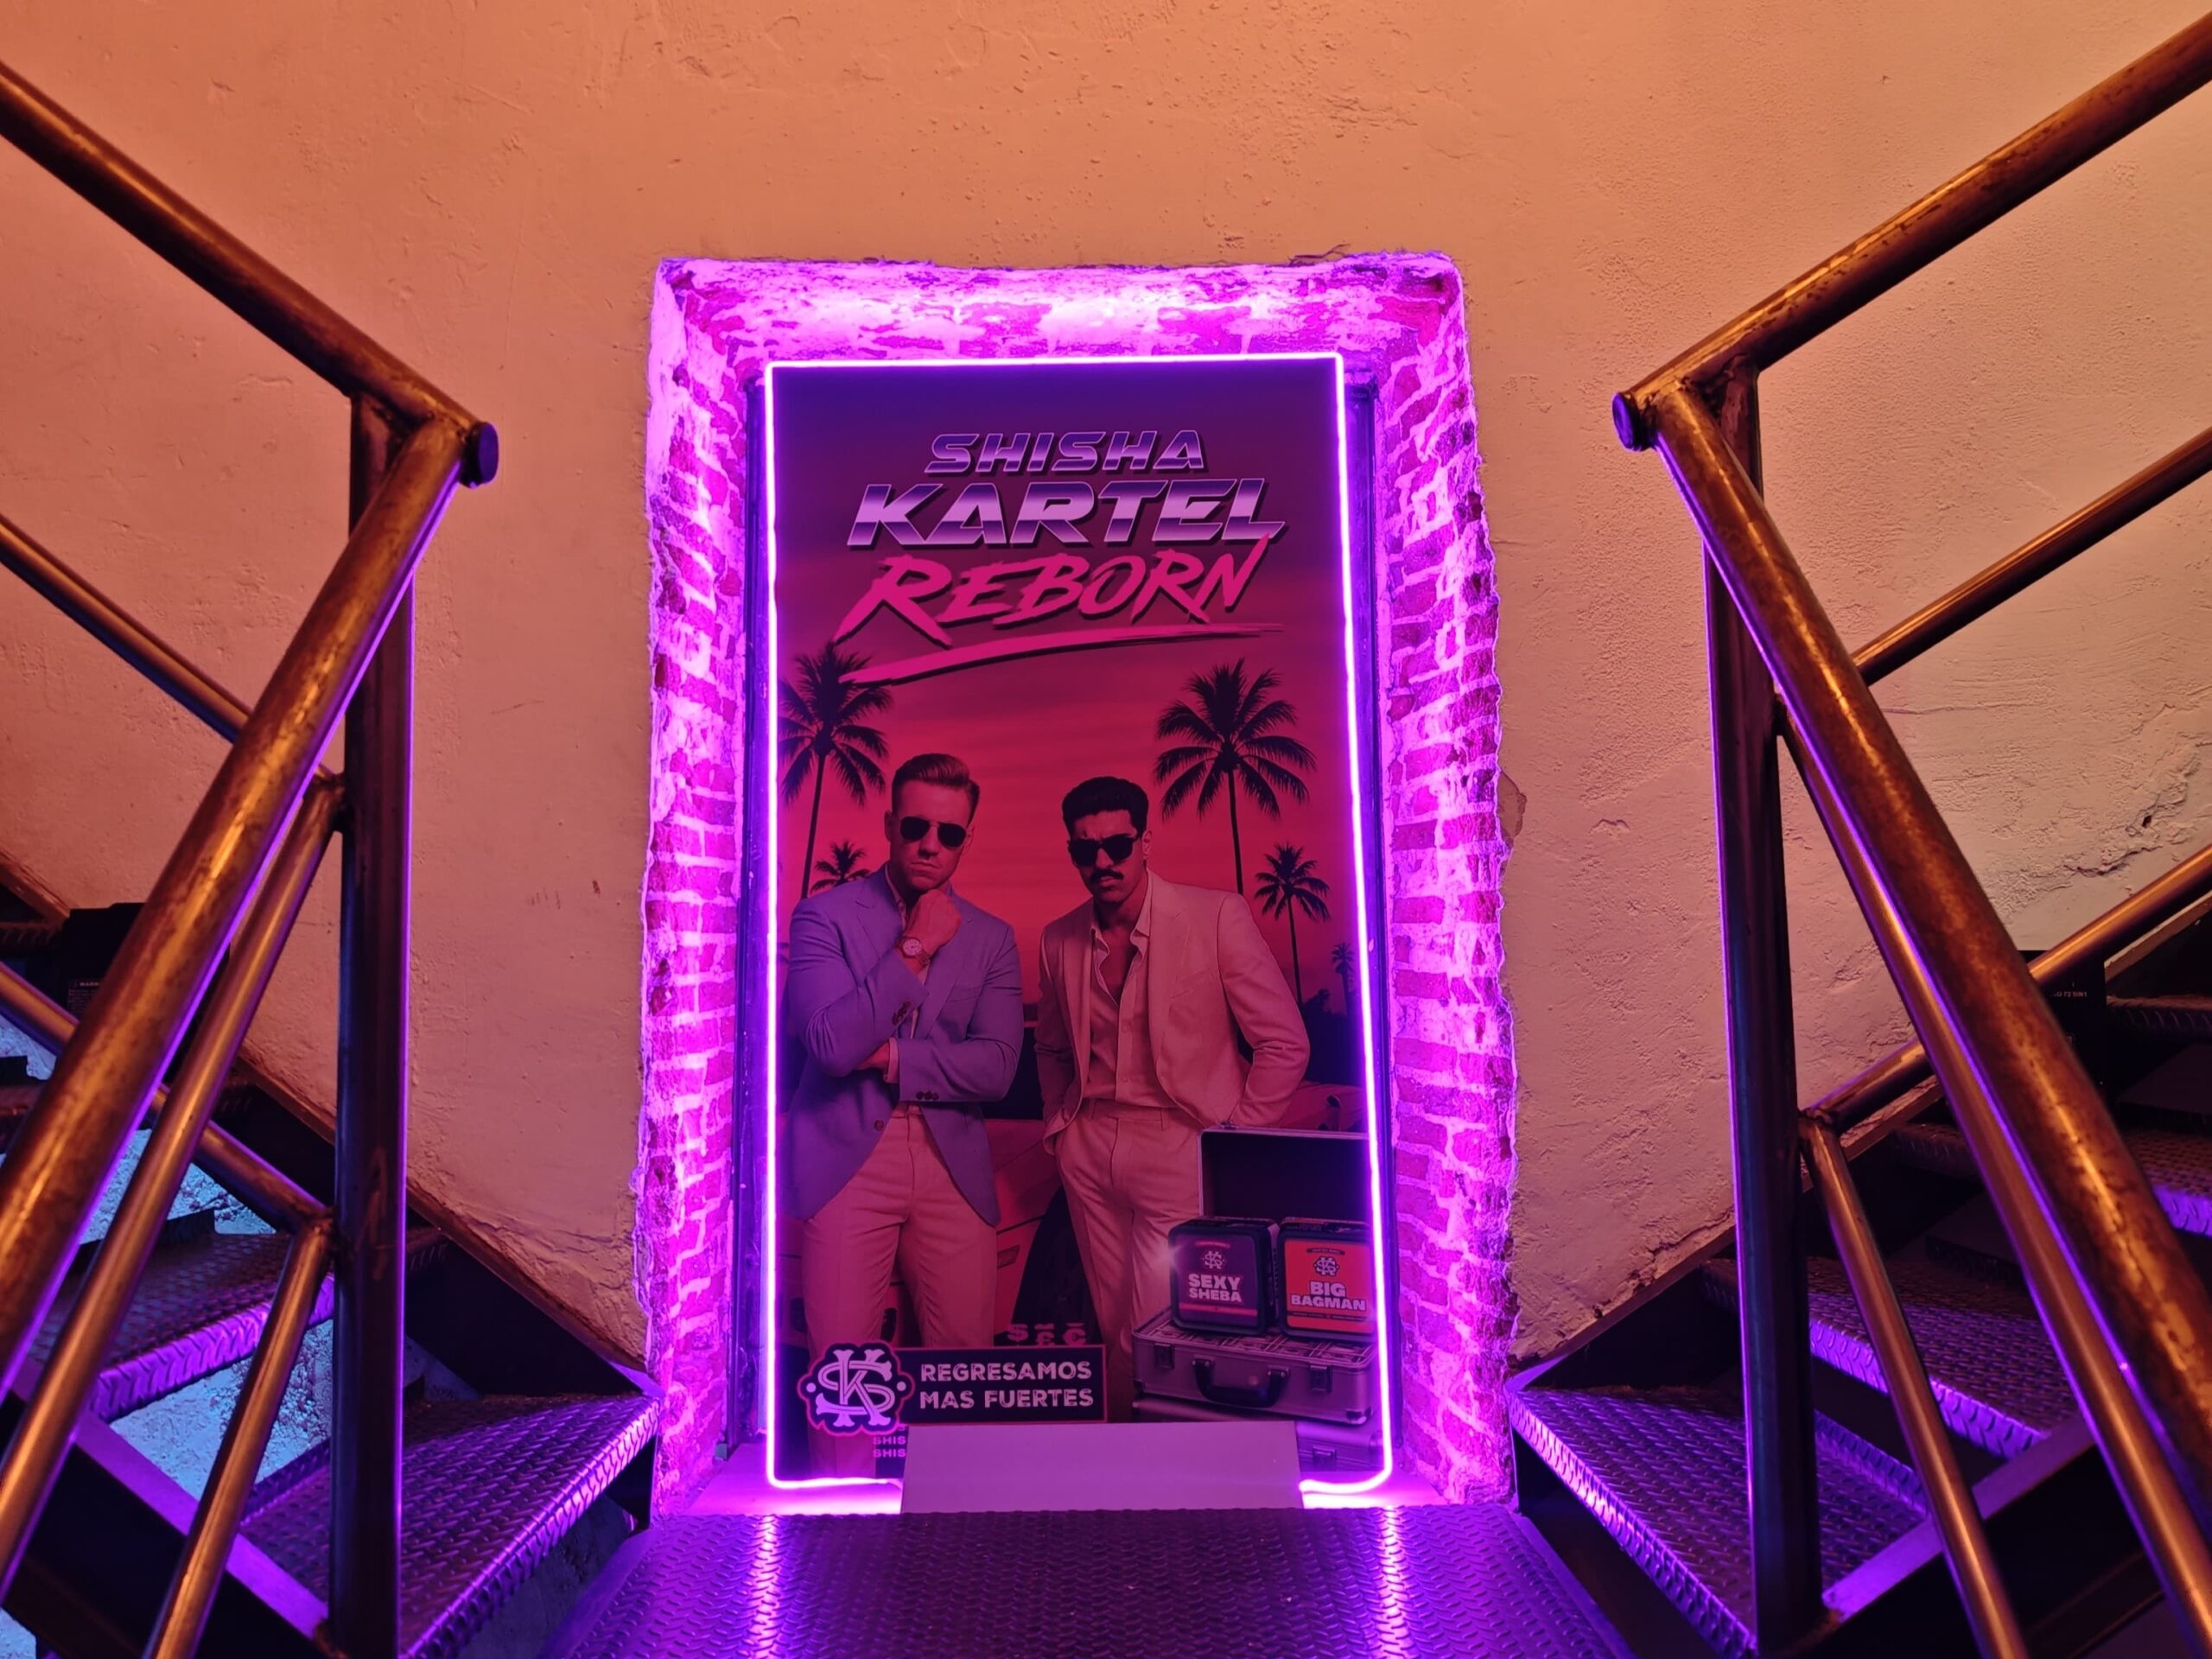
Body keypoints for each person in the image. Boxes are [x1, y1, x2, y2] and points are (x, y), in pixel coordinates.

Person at [1034, 775, 1309, 1419]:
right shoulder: (1059, 939)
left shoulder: (1215, 917)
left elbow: (1284, 1043)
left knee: (1156, 1332)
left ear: (1145, 842)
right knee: (1113, 1328)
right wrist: (1060, 1129)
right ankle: (1127, 1454)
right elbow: (1050, 1048)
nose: (1103, 862)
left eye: (1117, 845)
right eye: (1085, 850)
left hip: (1179, 1144)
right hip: (1090, 1145)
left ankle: (1170, 1459)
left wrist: (1230, 1141)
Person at [784, 753, 1021, 1474]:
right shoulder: (824, 917)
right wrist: (915, 948)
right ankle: (840, 1519)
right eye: (916, 827)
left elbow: (997, 1068)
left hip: (953, 1163)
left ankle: (961, 1516)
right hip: (846, 1159)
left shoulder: (992, 937)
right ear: (890, 825)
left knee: (963, 1371)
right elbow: (830, 1044)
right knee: (844, 1372)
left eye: (949, 834)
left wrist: (890, 1058)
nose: (929, 845)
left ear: (967, 839)